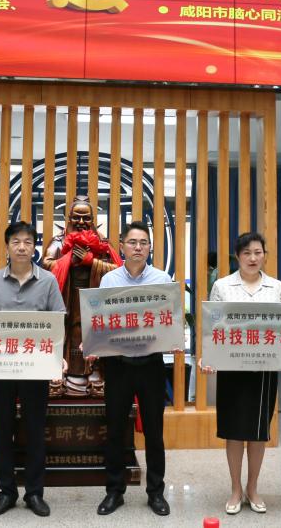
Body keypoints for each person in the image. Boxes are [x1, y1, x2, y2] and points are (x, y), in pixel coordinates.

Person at [199, 232, 281, 515]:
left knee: (257, 432)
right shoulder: (221, 286)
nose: (253, 258)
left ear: (265, 255)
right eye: (246, 253)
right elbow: (213, 329)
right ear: (237, 257)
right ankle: (235, 489)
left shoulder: (276, 288)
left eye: (258, 252)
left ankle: (253, 487)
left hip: (263, 369)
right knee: (233, 431)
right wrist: (208, 357)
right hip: (231, 368)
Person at [0, 221, 66, 518]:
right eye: (16, 241)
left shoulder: (48, 281)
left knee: (35, 430)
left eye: (28, 242)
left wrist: (58, 357)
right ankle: (6, 492)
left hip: (35, 367)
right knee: (2, 430)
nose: (22, 247)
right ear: (6, 247)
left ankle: (34, 493)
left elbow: (59, 320)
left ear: (34, 247)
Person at [93, 221, 174, 517]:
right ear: (122, 246)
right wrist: (93, 342)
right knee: (115, 430)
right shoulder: (109, 281)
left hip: (151, 364)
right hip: (118, 365)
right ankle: (115, 491)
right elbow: (100, 320)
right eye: (132, 242)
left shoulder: (162, 279)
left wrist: (174, 339)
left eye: (143, 242)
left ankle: (156, 492)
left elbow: (170, 319)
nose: (138, 247)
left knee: (154, 432)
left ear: (150, 247)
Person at [42, 195, 121, 398]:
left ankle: (94, 371)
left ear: (93, 220)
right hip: (66, 296)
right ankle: (61, 370)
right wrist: (67, 261)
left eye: (86, 218)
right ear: (68, 218)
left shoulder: (102, 243)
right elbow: (46, 265)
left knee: (92, 329)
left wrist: (90, 262)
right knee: (69, 330)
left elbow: (117, 271)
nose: (81, 222)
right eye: (76, 217)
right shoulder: (58, 241)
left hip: (95, 297)